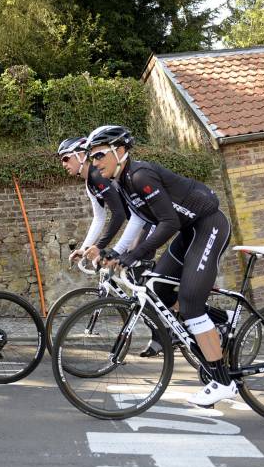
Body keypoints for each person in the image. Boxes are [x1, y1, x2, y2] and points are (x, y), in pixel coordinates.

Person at [86, 125, 236, 406]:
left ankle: (223, 381)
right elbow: (140, 220)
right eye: (91, 158)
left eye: (99, 155)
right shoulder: (123, 182)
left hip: (208, 226)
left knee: (190, 304)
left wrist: (134, 255)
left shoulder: (141, 175)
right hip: (189, 232)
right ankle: (222, 320)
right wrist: (115, 252)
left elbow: (168, 222)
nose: (94, 163)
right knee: (161, 290)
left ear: (120, 152)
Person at [57, 136, 148, 266]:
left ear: (81, 155)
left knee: (131, 262)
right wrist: (85, 248)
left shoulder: (98, 176)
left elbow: (119, 214)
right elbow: (99, 218)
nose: (63, 164)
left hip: (147, 218)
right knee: (127, 264)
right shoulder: (90, 183)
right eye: (62, 160)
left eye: (66, 158)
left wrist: (99, 246)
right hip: (138, 221)